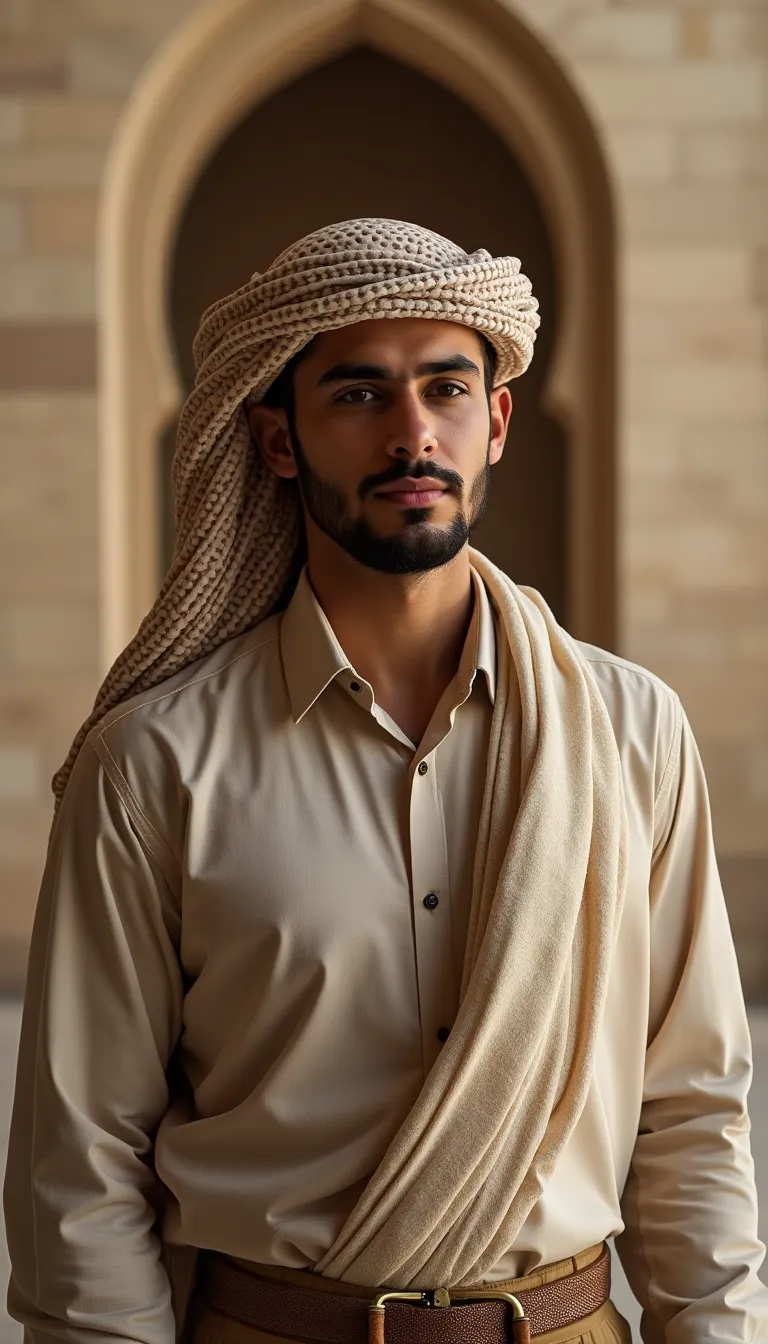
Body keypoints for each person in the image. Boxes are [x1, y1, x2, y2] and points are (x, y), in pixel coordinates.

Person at [3, 218, 767, 1344]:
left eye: (446, 388)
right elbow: (82, 1166)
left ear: (498, 421)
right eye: (358, 395)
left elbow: (690, 1112)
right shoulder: (154, 763)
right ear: (277, 441)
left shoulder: (630, 732)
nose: (414, 433)